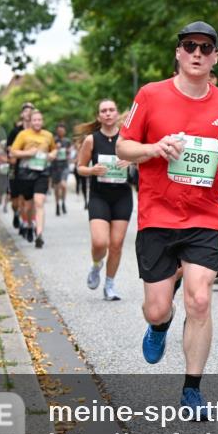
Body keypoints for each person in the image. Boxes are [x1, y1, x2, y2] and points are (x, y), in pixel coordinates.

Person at [117, 20, 218, 416]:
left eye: (206, 48)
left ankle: (192, 389)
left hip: (205, 215)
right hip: (157, 216)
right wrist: (154, 148)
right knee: (157, 307)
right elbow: (123, 148)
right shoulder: (150, 95)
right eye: (190, 45)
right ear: (177, 53)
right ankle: (158, 326)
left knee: (201, 299)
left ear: (215, 58)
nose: (197, 53)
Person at [76, 100, 134, 301]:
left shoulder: (127, 139)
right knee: (101, 242)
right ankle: (96, 264)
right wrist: (91, 170)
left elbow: (144, 160)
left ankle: (109, 284)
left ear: (117, 114)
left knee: (116, 244)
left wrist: (132, 161)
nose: (108, 113)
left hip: (122, 196)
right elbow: (80, 167)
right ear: (99, 116)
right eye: (104, 111)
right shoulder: (91, 140)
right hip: (100, 195)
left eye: (111, 110)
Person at [10, 108, 57, 248]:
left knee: (39, 201)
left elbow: (53, 148)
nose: (37, 122)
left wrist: (52, 154)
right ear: (30, 121)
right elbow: (13, 152)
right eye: (34, 120)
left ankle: (39, 233)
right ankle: (29, 224)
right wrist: (28, 153)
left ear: (42, 121)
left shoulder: (48, 135)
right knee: (28, 205)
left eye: (39, 120)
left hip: (42, 172)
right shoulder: (23, 135)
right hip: (26, 173)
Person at [7, 103, 34, 230]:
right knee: (15, 200)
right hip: (15, 168)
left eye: (31, 111)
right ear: (22, 114)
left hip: (30, 169)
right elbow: (8, 147)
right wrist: (16, 153)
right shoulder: (15, 131)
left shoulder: (37, 131)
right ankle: (16, 213)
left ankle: (26, 223)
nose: (28, 113)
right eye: (26, 111)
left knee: (26, 197)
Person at [51, 122, 72, 216]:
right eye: (59, 131)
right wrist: (56, 149)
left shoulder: (67, 141)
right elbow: (50, 152)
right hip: (55, 166)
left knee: (63, 185)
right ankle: (57, 205)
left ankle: (63, 202)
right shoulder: (53, 140)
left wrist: (68, 152)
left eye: (62, 130)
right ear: (57, 131)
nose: (61, 132)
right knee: (56, 188)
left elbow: (69, 153)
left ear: (65, 131)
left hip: (64, 166)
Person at [0, 141, 10, 211]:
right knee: (1, 189)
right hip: (0, 174)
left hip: (8, 174)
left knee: (8, 190)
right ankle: (0, 195)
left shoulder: (12, 153)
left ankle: (5, 206)